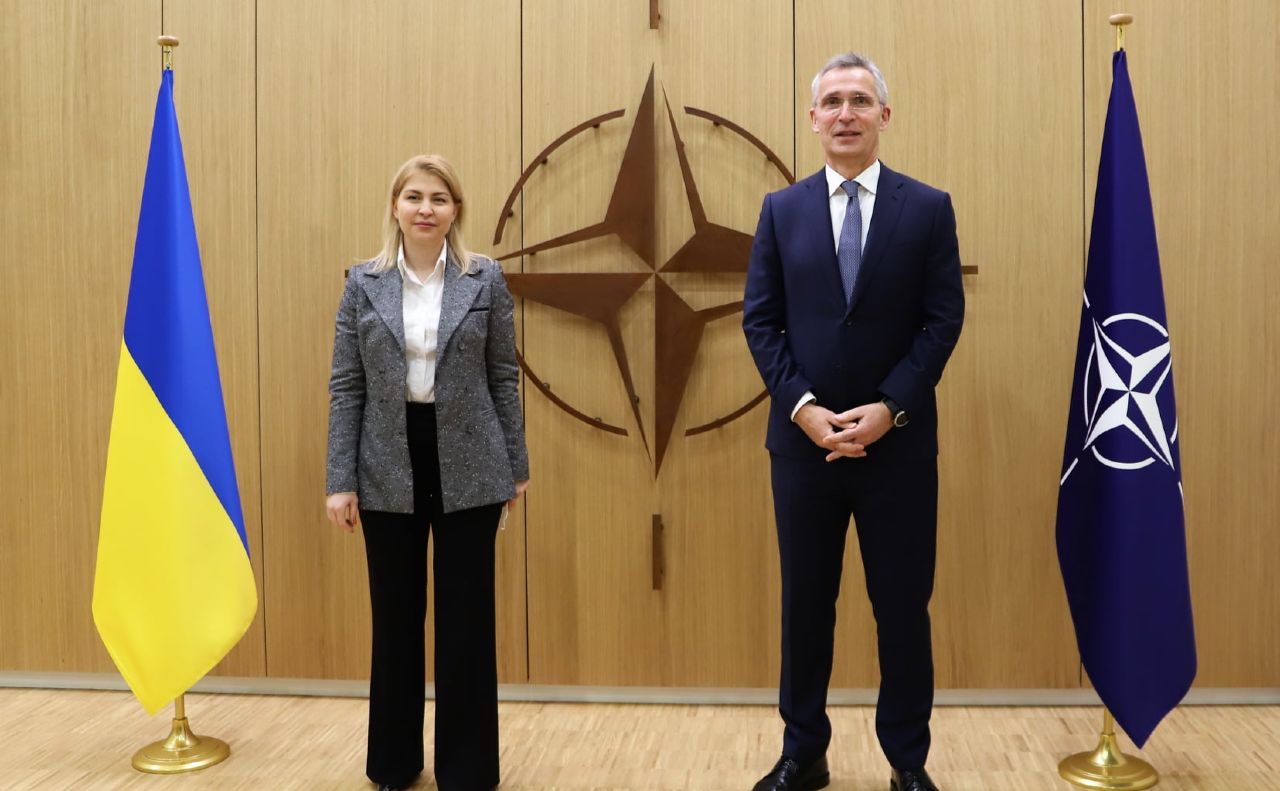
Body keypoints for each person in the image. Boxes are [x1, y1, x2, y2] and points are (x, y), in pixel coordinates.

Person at [742, 53, 965, 791]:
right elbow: (761, 321)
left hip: (897, 450)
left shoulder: (927, 208)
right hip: (803, 448)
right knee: (806, 607)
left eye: (860, 100)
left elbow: (942, 320)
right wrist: (804, 409)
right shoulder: (781, 210)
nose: (846, 113)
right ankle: (803, 751)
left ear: (884, 116)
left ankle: (907, 760)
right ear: (813, 119)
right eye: (832, 101)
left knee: (902, 609)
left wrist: (890, 408)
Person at [325, 154, 529, 791]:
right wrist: (340, 479)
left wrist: (516, 468)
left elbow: (503, 376)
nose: (425, 209)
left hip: (472, 461)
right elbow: (347, 385)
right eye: (414, 196)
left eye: (439, 198)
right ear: (395, 206)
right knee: (395, 618)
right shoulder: (363, 283)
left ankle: (467, 769)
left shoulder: (485, 279)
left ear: (454, 211)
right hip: (386, 460)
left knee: (466, 621)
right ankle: (394, 763)